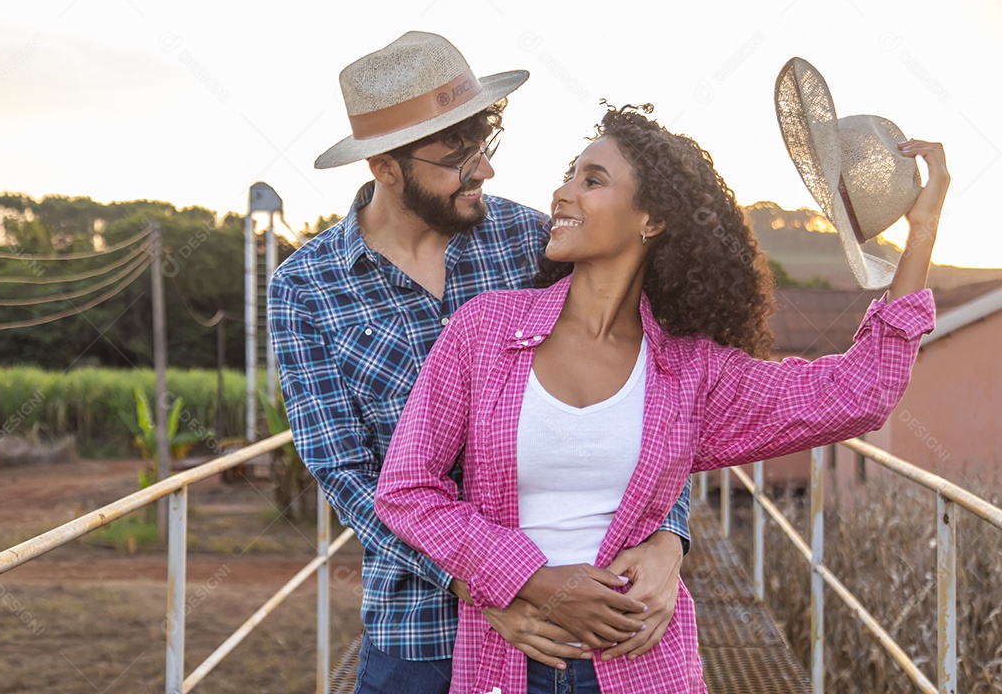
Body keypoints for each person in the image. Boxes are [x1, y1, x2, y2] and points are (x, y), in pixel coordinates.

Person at [375, 102, 946, 693]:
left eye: (591, 180)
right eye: (570, 174)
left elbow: (861, 393)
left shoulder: (692, 372)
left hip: (642, 665)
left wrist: (923, 231)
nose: (562, 193)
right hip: (508, 661)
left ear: (651, 220)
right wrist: (528, 578)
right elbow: (407, 488)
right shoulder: (484, 331)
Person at [268, 34, 691, 694]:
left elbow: (650, 396)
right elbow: (345, 470)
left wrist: (670, 538)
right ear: (384, 166)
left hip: (580, 626)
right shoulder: (306, 288)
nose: (483, 171)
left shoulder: (537, 242)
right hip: (421, 627)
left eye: (483, 144)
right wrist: (491, 583)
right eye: (454, 157)